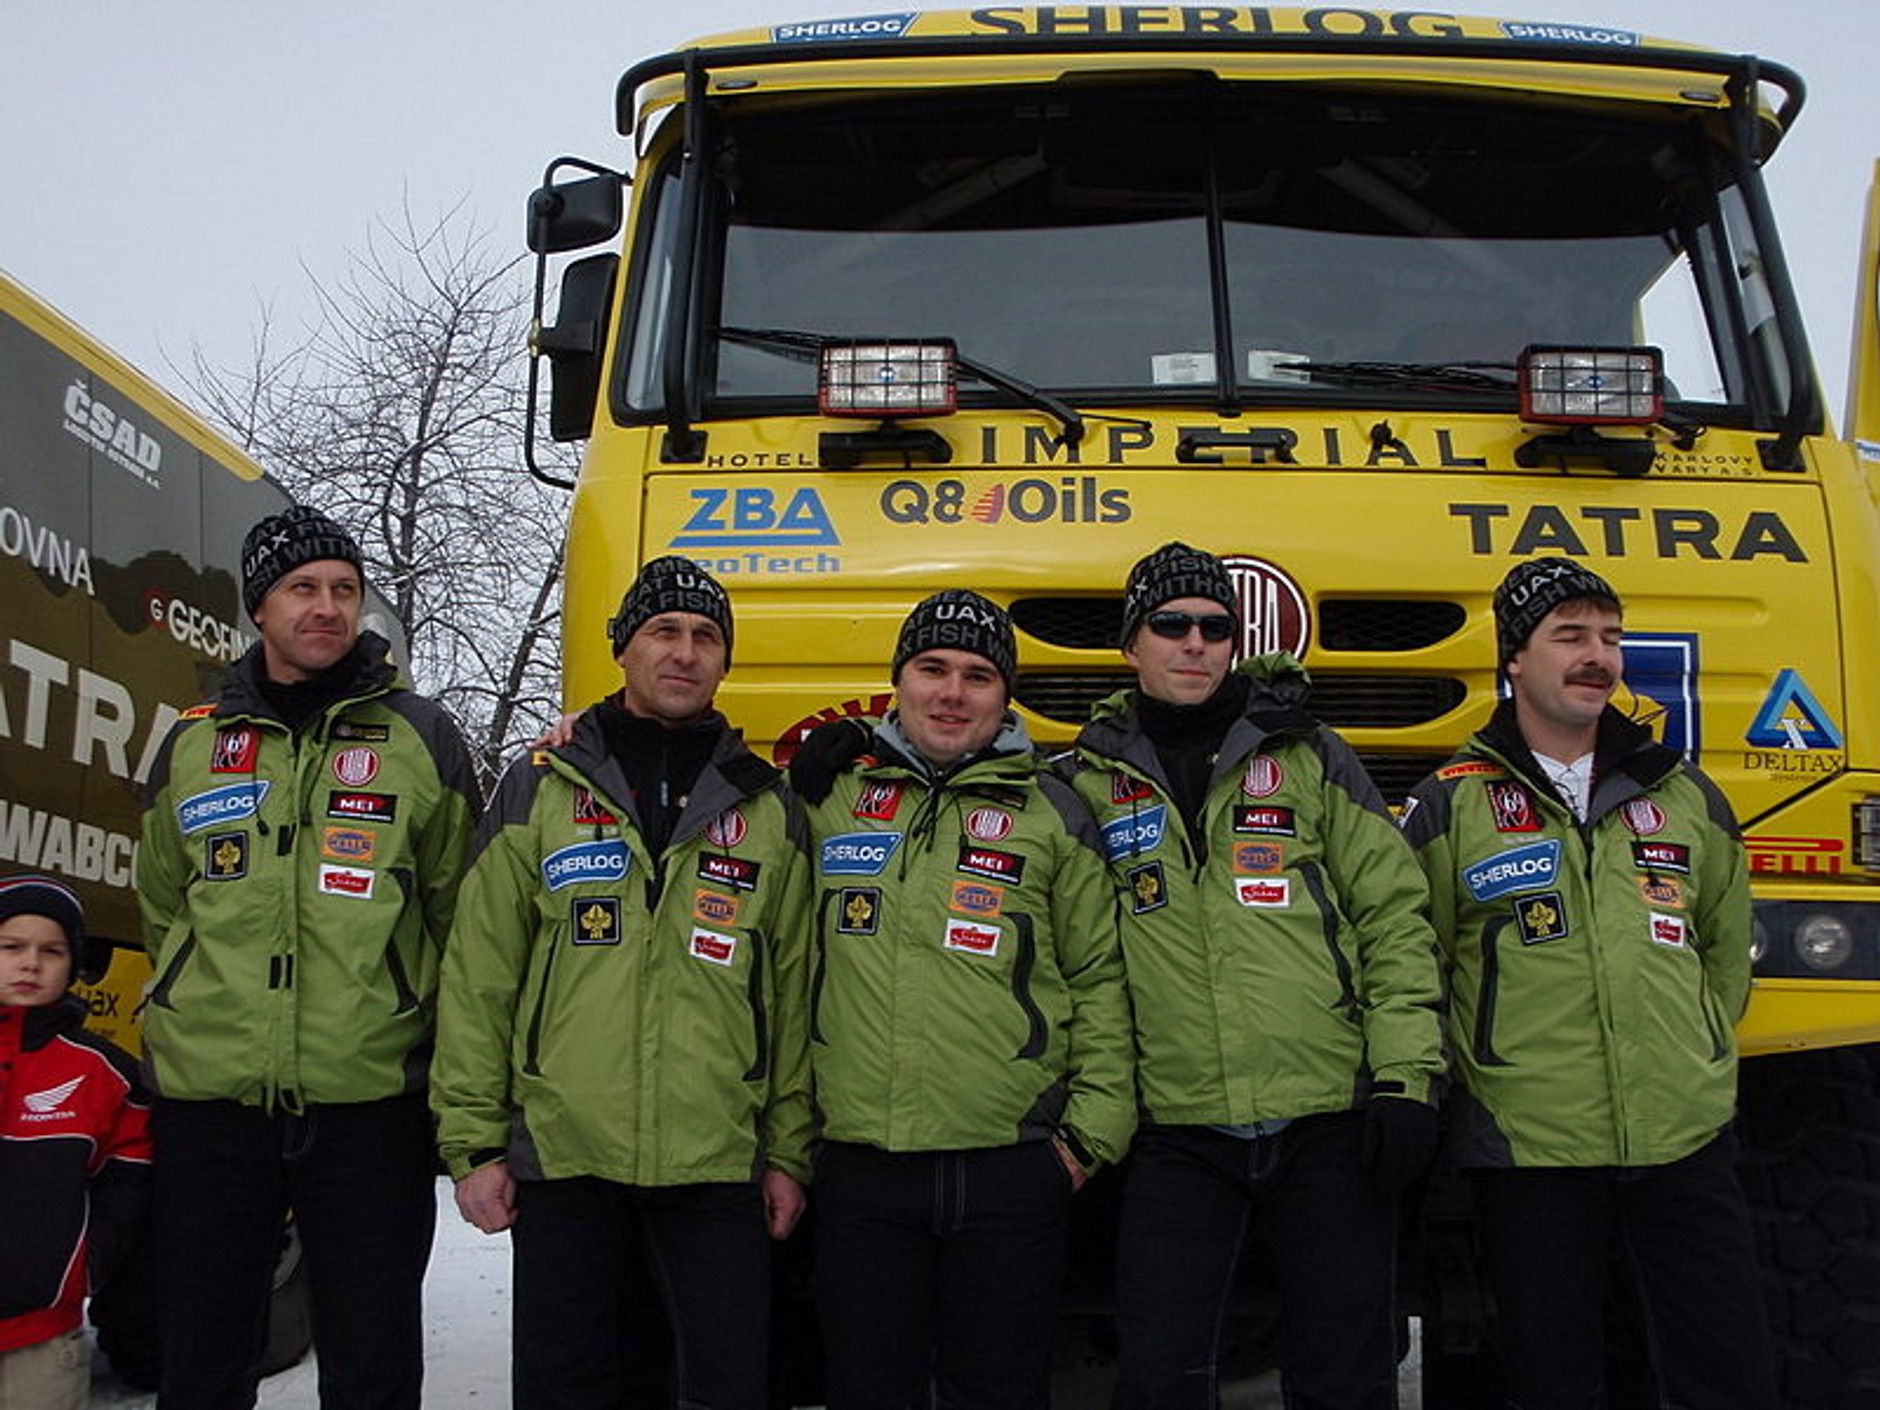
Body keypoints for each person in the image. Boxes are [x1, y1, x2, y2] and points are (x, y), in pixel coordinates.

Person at [1058, 542, 1444, 1410]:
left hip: (1328, 1120)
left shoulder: (1309, 755)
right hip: (1175, 1128)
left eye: (1214, 627)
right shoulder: (1083, 783)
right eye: (1171, 625)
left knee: (1347, 1373)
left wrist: (1406, 1079)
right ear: (1132, 644)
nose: (1194, 643)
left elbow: (1394, 917)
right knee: (1158, 1376)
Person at [431, 556, 814, 1410]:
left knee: (725, 1387)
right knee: (569, 1388)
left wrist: (787, 1151)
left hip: (717, 1163)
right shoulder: (541, 786)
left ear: (724, 662)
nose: (684, 653)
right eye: (663, 632)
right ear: (624, 649)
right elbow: (480, 974)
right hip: (568, 1157)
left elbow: (793, 996)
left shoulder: (767, 808)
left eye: (705, 637)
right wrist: (474, 1144)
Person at [1400, 557, 1777, 1409]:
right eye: (1568, 636)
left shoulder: (1683, 795)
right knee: (1552, 1379)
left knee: (1726, 1372)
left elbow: (1723, 948)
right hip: (1532, 1145)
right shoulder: (1449, 804)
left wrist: (1698, 1050)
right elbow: (1419, 960)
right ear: (1514, 660)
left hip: (1682, 1134)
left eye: (1609, 638)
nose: (1596, 657)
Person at [136, 504, 481, 1410]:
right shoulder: (195, 742)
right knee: (204, 1363)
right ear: (259, 607)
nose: (326, 607)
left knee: (371, 1365)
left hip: (368, 1102)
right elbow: (163, 905)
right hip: (213, 1103)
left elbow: (459, 915)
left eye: (343, 589)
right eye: (302, 588)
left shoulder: (420, 737)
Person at [787, 589, 1135, 1410]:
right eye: (932, 668)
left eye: (978, 675)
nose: (953, 692)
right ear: (896, 682)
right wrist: (572, 733)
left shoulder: (1054, 811)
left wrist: (1087, 1140)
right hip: (863, 1168)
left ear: (1004, 696)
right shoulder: (828, 796)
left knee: (1001, 1392)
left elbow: (1101, 979)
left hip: (1012, 1170)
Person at [0, 874, 151, 1410]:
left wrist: (91, 1260)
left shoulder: (103, 1071)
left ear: (74, 965)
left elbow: (131, 1175)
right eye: (12, 947)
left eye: (52, 950)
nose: (31, 963)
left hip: (40, 1343)